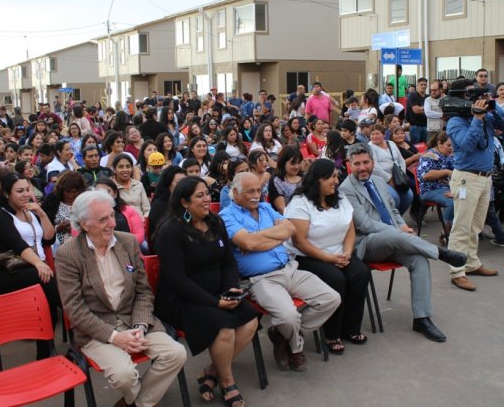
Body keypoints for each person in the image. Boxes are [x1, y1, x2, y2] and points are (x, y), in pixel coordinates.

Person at [56, 191, 187, 407]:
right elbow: (75, 310)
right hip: (97, 330)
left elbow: (143, 291)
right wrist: (115, 337)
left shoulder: (127, 242)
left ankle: (135, 404)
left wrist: (140, 326)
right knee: (124, 375)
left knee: (176, 353)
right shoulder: (68, 254)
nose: (111, 223)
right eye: (102, 219)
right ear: (83, 224)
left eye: (111, 215)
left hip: (133, 319)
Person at [339, 144, 464, 341]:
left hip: (396, 238)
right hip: (368, 243)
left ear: (372, 162)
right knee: (395, 236)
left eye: (366, 162)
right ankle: (440, 253)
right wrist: (398, 231)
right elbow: (364, 223)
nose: (362, 167)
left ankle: (422, 319)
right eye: (357, 164)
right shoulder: (345, 189)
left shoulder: (379, 181)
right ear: (349, 165)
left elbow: (394, 210)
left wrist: (401, 226)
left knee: (419, 259)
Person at [220, 172, 340, 372]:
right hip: (261, 279)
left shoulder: (266, 208)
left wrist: (258, 239)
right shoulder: (226, 215)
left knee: (331, 298)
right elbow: (247, 243)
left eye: (259, 190)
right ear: (235, 192)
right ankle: (295, 347)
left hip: (289, 269)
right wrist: (273, 237)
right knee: (288, 317)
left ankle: (281, 335)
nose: (256, 195)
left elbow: (291, 229)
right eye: (250, 191)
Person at [155, 177, 259, 407]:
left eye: (207, 194)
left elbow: (229, 262)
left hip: (218, 292)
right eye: (199, 196)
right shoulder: (170, 230)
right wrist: (215, 302)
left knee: (250, 320)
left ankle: (213, 371)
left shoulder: (214, 222)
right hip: (182, 298)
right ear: (184, 202)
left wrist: (230, 289)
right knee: (225, 328)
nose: (207, 199)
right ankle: (227, 382)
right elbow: (177, 280)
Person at [284, 160, 368, 354]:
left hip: (338, 252)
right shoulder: (300, 202)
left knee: (360, 273)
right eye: (332, 177)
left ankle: (351, 328)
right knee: (336, 279)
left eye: (337, 176)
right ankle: (332, 333)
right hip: (306, 256)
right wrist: (329, 259)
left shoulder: (339, 197)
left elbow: (350, 229)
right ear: (318, 179)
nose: (336, 181)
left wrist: (347, 252)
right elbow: (300, 242)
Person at [445, 78, 504, 291]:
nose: (476, 98)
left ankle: (472, 263)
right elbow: (466, 145)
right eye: (471, 94)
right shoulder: (456, 121)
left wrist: (492, 104)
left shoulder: (486, 115)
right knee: (461, 227)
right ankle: (457, 272)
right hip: (466, 177)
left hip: (484, 178)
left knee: (475, 226)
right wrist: (476, 118)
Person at [0, 173, 60, 357]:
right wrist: (39, 265)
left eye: (28, 189)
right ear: (6, 193)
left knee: (46, 284)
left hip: (30, 269)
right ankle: (72, 322)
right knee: (46, 280)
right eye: (20, 191)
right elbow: (19, 245)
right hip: (4, 273)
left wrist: (41, 213)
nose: (26, 194)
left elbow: (49, 238)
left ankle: (46, 350)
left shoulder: (31, 212)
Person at [417, 132, 455, 245]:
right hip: (430, 189)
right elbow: (425, 175)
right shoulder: (429, 155)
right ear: (439, 143)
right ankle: (445, 232)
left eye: (453, 145)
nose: (451, 148)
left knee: (467, 197)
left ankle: (458, 231)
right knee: (454, 202)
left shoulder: (449, 155)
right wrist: (446, 172)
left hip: (446, 187)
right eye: (449, 145)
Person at [368, 124, 413, 215]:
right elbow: (375, 168)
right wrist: (389, 179)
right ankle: (392, 219)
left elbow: (401, 161)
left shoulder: (391, 143)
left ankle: (398, 218)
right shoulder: (370, 147)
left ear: (384, 135)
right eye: (372, 134)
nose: (374, 136)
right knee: (394, 197)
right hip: (381, 179)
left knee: (409, 196)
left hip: (396, 176)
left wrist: (401, 175)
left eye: (377, 134)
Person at [93, 178, 144, 246]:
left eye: (107, 191)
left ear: (115, 194)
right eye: (99, 192)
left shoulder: (129, 211)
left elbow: (139, 236)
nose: (103, 195)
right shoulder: (89, 214)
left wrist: (119, 247)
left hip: (128, 249)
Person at [112, 153, 150, 218]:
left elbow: (147, 208)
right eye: (121, 167)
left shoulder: (138, 184)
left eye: (128, 166)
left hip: (141, 222)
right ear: (114, 170)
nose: (125, 170)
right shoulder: (110, 187)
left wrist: (144, 220)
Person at [269, 145, 304, 214]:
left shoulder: (304, 177)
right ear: (283, 162)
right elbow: (282, 209)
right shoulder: (276, 181)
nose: (297, 167)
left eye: (299, 163)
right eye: (293, 163)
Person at [406, 77, 428, 144]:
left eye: (425, 84)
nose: (423, 86)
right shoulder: (412, 95)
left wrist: (422, 108)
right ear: (417, 85)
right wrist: (428, 110)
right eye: (421, 84)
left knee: (425, 147)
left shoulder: (428, 97)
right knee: (416, 147)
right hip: (415, 126)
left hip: (426, 126)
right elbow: (416, 110)